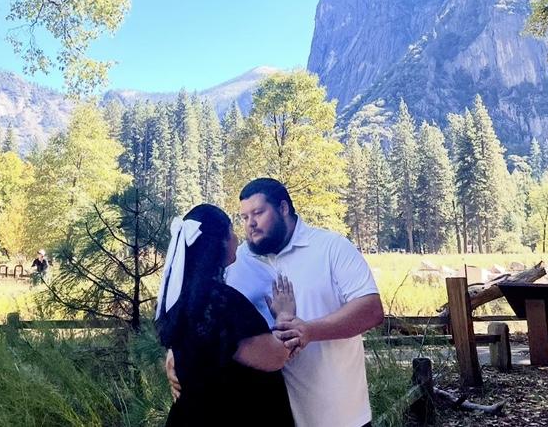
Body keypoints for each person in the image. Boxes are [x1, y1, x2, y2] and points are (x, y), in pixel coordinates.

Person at [169, 179, 384, 427]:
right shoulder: (234, 262)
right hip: (264, 415)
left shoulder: (331, 248)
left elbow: (371, 310)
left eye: (258, 213)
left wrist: (309, 331)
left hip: (335, 414)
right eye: (244, 217)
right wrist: (176, 351)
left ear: (283, 208)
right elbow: (202, 310)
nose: (250, 223)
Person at [157, 203, 295, 427]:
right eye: (231, 232)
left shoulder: (179, 297)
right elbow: (275, 357)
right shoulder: (221, 303)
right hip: (231, 414)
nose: (237, 239)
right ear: (219, 242)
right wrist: (284, 315)